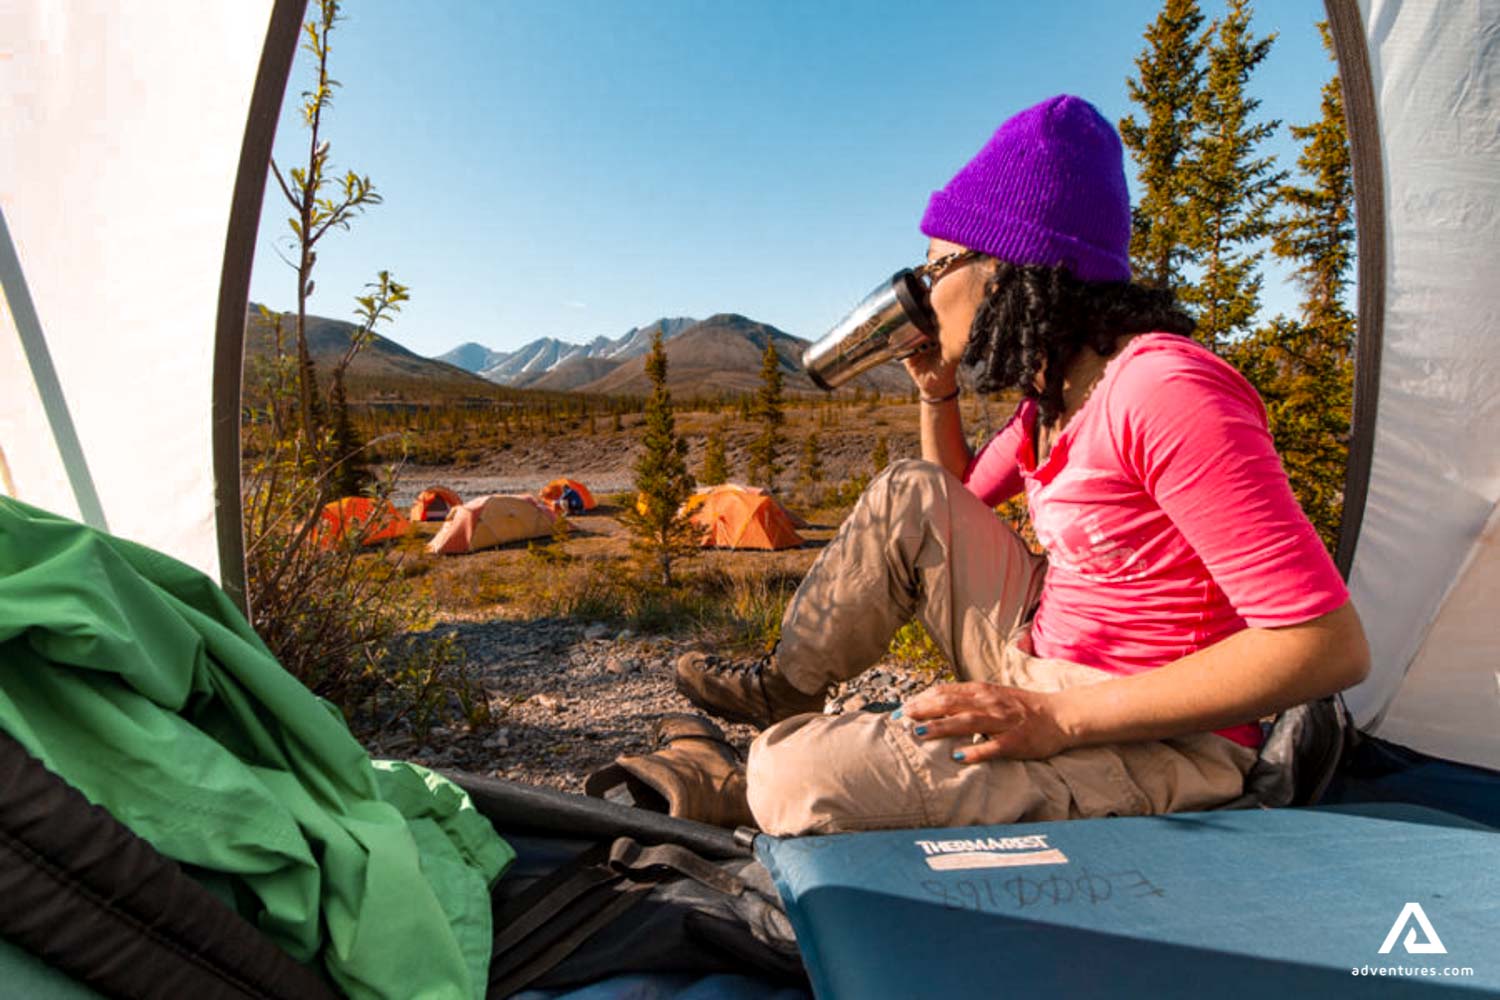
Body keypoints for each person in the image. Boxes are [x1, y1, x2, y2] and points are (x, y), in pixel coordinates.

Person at [664, 94, 1369, 837]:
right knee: (909, 490)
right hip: (1039, 662)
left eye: (938, 267)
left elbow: (1326, 646)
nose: (924, 293)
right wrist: (938, 394)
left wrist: (1059, 718)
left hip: (1156, 734)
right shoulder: (1055, 399)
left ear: (1008, 267)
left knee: (793, 774)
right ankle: (787, 689)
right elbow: (947, 504)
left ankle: (743, 779)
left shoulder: (1164, 390)